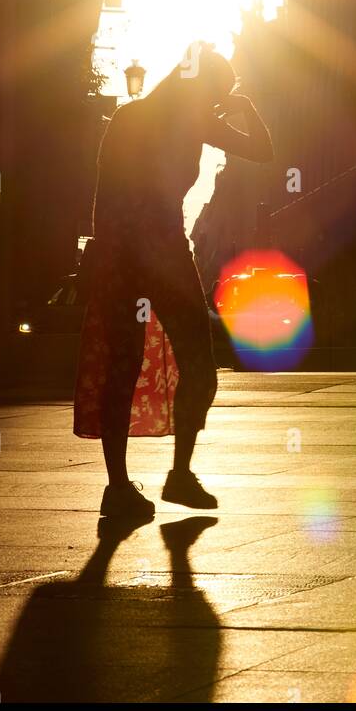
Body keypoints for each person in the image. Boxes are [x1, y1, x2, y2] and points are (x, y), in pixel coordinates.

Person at [73, 44, 273, 520]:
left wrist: (107, 254)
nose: (217, 105)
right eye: (216, 96)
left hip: (131, 252)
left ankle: (125, 484)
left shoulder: (145, 118)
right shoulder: (188, 121)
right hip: (154, 251)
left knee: (127, 369)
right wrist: (243, 109)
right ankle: (169, 476)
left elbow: (103, 198)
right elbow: (263, 150)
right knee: (195, 364)